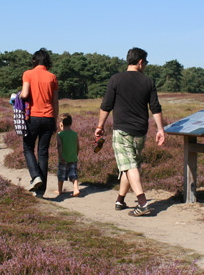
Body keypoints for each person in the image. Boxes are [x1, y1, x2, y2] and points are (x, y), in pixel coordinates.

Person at [95, 47, 165, 217]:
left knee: (129, 165)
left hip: (122, 130)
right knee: (130, 165)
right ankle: (120, 199)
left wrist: (100, 126)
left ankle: (142, 203)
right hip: (140, 131)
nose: (146, 65)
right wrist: (160, 129)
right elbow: (155, 108)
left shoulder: (115, 79)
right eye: (146, 62)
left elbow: (106, 105)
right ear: (140, 62)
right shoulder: (148, 81)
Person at [20, 48, 59, 197]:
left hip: (33, 118)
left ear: (34, 60)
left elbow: (24, 94)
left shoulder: (28, 74)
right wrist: (55, 121)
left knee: (28, 147)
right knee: (43, 153)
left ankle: (35, 176)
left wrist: (15, 96)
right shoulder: (52, 77)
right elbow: (55, 102)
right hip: (49, 118)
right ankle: (41, 191)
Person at [56, 113, 80, 197]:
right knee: (73, 174)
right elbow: (77, 146)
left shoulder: (60, 135)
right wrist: (76, 154)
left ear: (61, 124)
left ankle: (59, 190)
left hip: (63, 158)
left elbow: (59, 146)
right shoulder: (75, 134)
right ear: (71, 123)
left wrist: (60, 156)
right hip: (73, 157)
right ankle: (76, 189)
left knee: (61, 175)